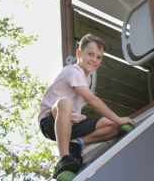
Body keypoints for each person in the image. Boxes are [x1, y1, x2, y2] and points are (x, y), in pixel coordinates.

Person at [38, 34, 135, 178]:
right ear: (79, 53)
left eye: (99, 57)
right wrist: (119, 118)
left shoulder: (86, 78)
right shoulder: (72, 71)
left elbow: (83, 98)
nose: (94, 60)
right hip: (50, 122)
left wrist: (86, 96)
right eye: (90, 54)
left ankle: (77, 143)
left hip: (72, 123)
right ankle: (64, 158)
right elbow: (92, 101)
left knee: (113, 126)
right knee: (65, 102)